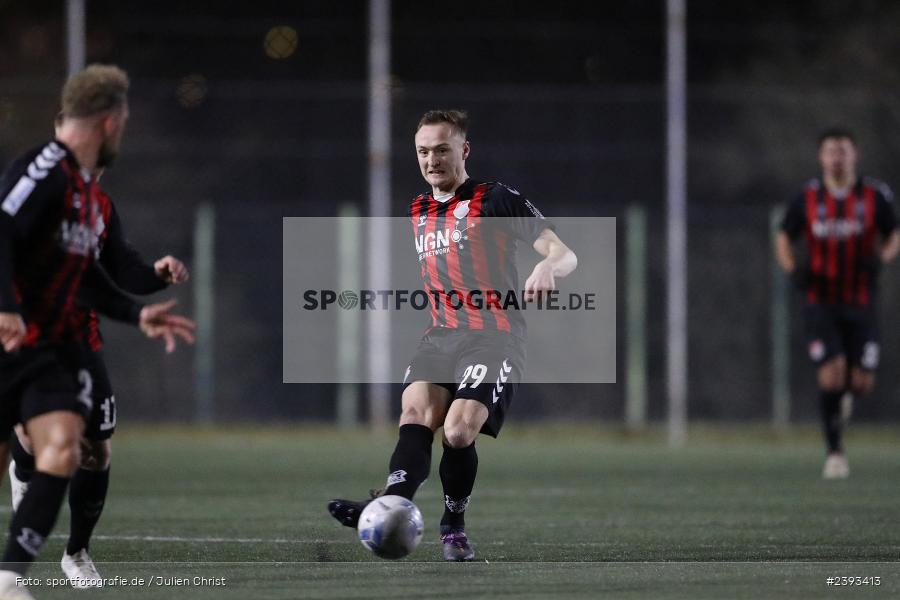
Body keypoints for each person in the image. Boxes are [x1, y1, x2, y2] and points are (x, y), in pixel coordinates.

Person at [329, 109, 577, 561]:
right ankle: (392, 504)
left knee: (460, 433)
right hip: (441, 335)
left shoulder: (495, 198)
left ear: (463, 150)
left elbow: (563, 253)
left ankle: (453, 526)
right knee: (415, 415)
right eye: (423, 151)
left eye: (442, 149)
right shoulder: (418, 208)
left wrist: (546, 266)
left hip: (494, 335)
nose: (431, 160)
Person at [0, 64, 195, 599]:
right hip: (12, 340)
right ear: (111, 122)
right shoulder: (49, 167)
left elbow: (88, 274)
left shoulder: (88, 195)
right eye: (125, 120)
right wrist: (5, 305)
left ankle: (9, 580)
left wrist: (139, 312)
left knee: (66, 447)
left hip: (51, 348)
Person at [776, 128, 899, 479]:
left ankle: (844, 401)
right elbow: (784, 236)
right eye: (831, 151)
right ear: (821, 157)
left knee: (861, 382)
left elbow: (894, 233)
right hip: (820, 300)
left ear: (854, 155)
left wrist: (883, 257)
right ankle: (834, 452)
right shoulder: (808, 197)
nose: (837, 158)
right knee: (831, 375)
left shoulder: (875, 195)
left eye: (843, 151)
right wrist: (792, 268)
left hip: (861, 300)